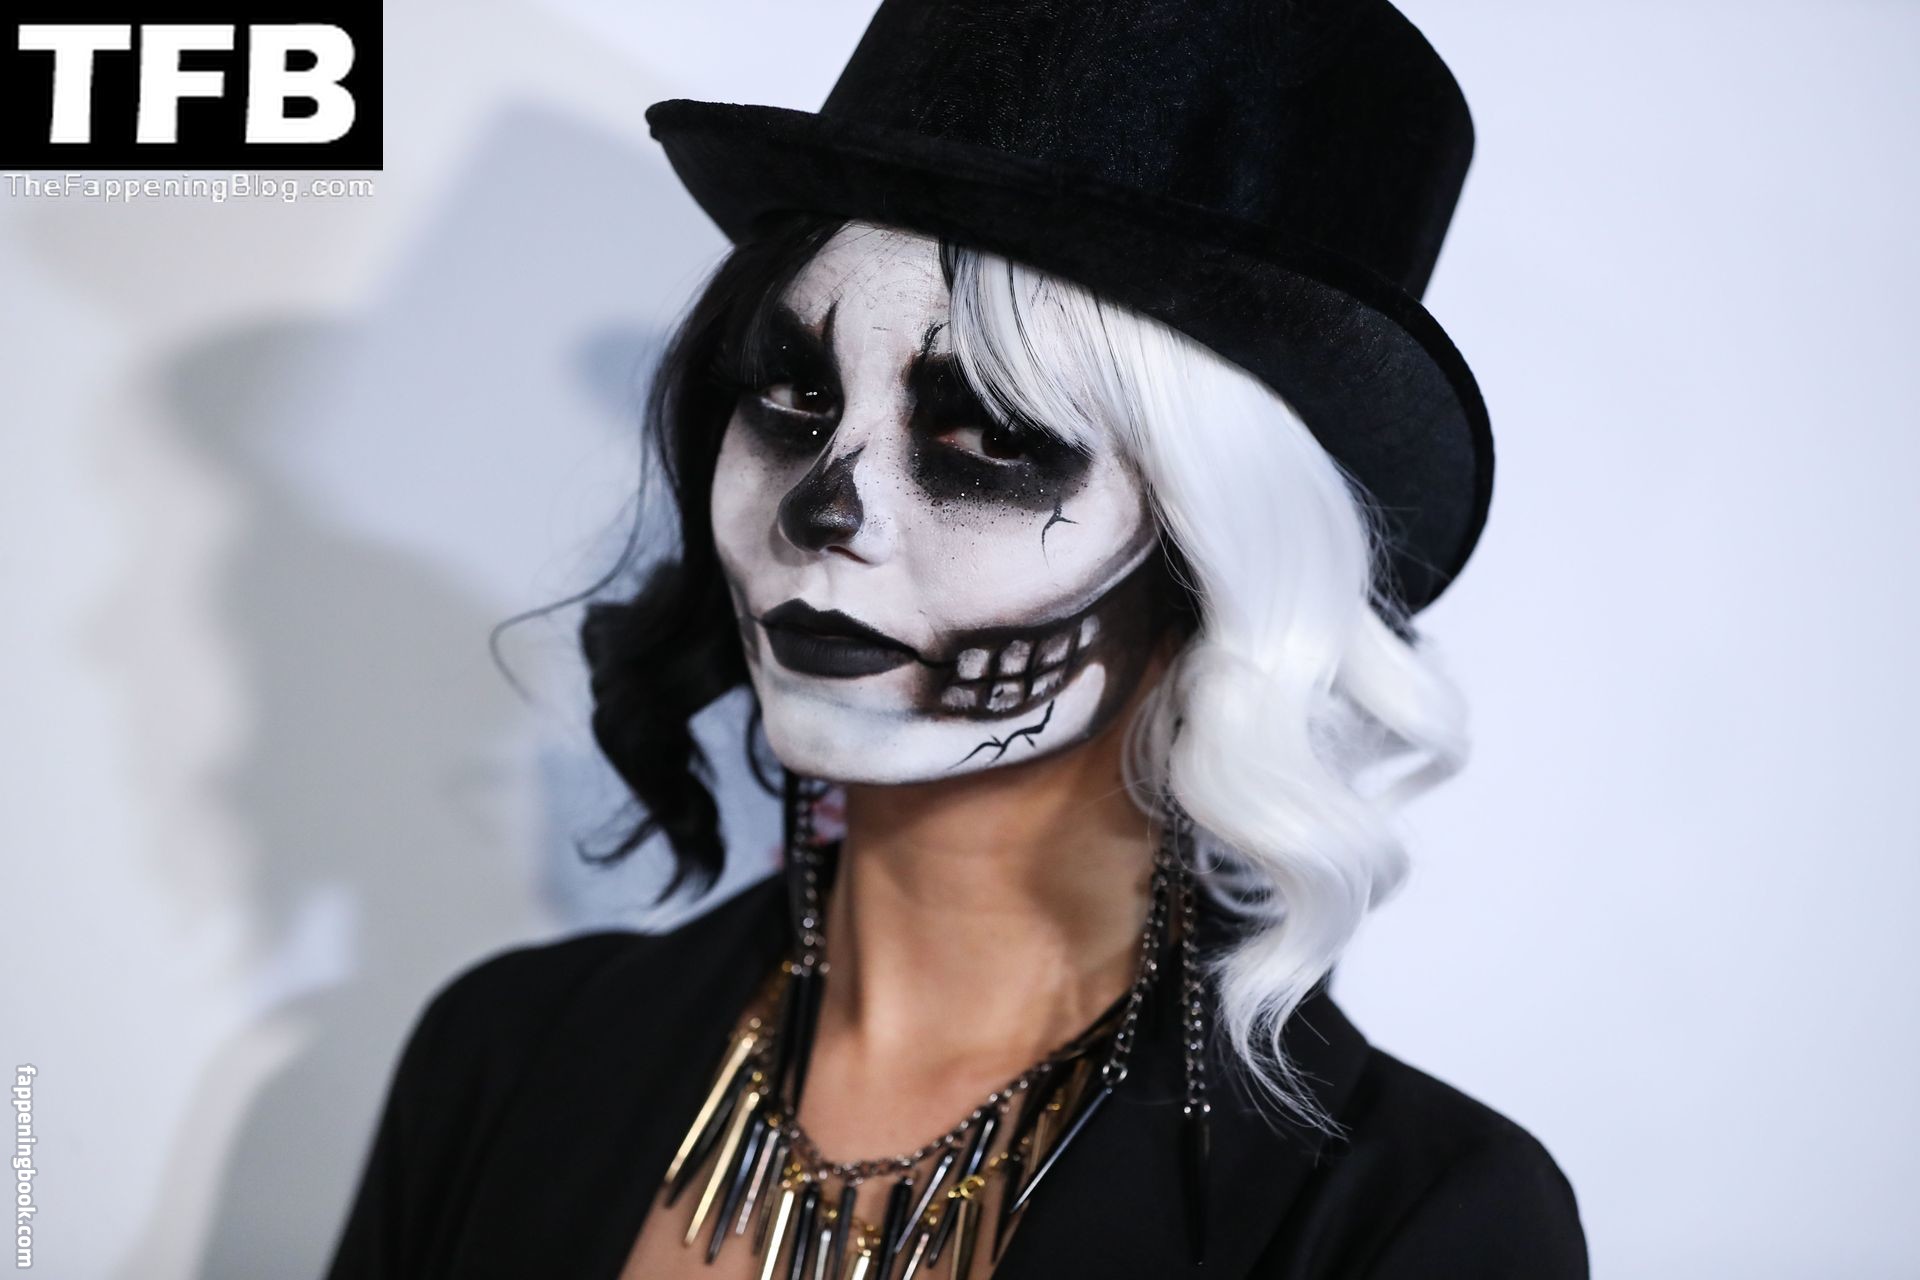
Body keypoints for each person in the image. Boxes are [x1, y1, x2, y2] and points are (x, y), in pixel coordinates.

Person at [325, 1, 1588, 1276]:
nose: (826, 507)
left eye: (988, 436)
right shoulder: (506, 1056)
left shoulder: (1417, 1220)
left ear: (1212, 556)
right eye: (794, 396)